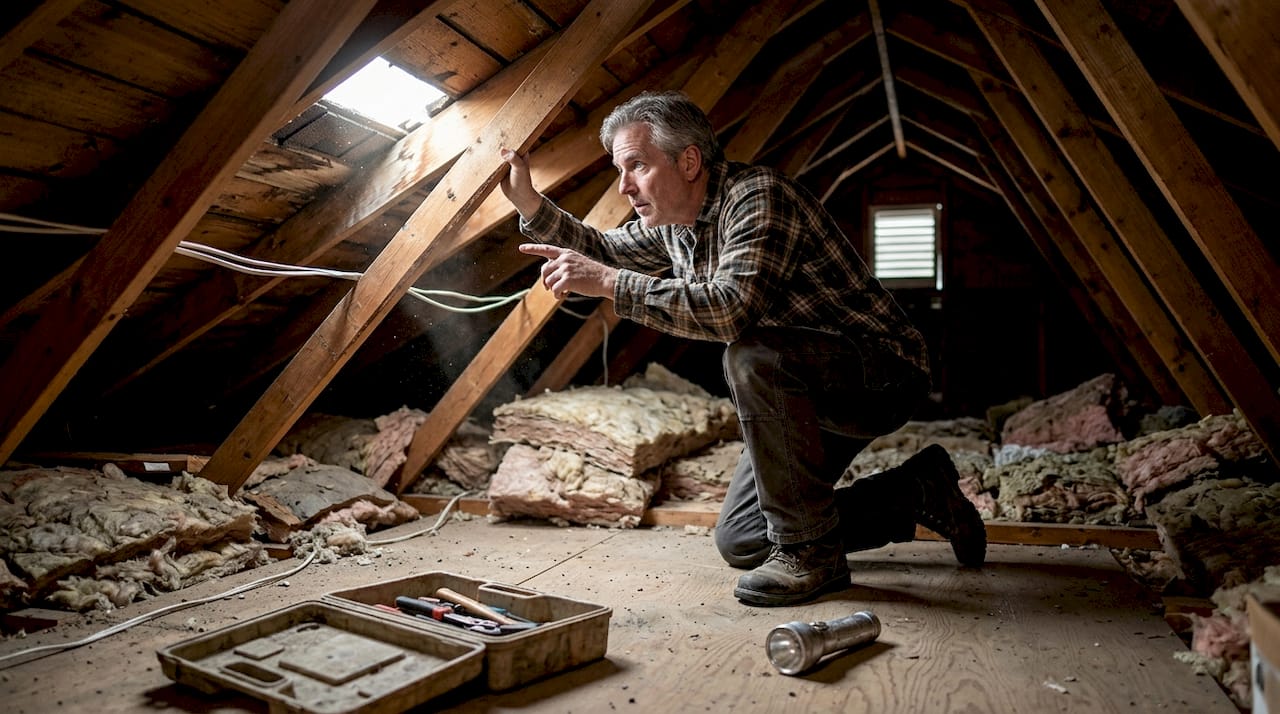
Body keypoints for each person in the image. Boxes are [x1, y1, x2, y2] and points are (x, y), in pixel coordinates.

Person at [498, 90, 985, 607]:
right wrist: (530, 203)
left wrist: (612, 284)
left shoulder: (757, 197)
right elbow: (601, 250)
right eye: (622, 171)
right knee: (745, 538)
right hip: (800, 390)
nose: (625, 187)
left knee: (750, 355)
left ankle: (812, 555)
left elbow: (730, 309)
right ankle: (918, 491)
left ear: (689, 161)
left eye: (637, 166)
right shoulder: (673, 228)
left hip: (880, 374)